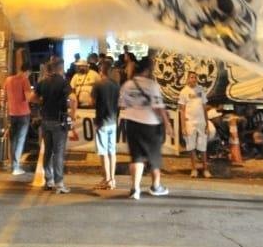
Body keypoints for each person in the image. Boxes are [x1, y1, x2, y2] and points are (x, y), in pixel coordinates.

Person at [119, 56, 172, 200]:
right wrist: (167, 124)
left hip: (132, 124)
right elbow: (158, 107)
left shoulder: (127, 85)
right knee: (154, 157)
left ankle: (134, 189)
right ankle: (156, 186)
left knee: (136, 157)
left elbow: (122, 104)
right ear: (148, 70)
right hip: (150, 125)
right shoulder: (152, 85)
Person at [31, 59, 75, 194]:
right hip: (59, 121)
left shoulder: (42, 82)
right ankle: (59, 183)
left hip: (45, 121)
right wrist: (73, 114)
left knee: (48, 152)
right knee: (58, 153)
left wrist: (43, 102)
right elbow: (73, 98)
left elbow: (32, 98)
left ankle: (48, 181)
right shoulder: (63, 82)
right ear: (60, 68)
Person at [90, 58, 120, 190]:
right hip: (113, 121)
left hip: (101, 122)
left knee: (103, 153)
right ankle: (112, 179)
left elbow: (92, 102)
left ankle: (107, 179)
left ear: (101, 70)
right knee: (112, 152)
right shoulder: (116, 85)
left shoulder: (98, 85)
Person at [2, 51, 34, 175]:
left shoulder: (8, 79)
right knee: (20, 140)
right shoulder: (24, 80)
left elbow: (3, 96)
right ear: (27, 71)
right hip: (23, 114)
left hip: (11, 113)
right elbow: (28, 98)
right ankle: (16, 167)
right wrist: (33, 92)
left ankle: (13, 165)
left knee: (13, 140)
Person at [178, 71, 212, 179]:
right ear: (187, 79)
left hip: (201, 122)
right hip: (189, 123)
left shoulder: (201, 90)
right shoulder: (183, 92)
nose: (193, 79)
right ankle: (194, 169)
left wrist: (207, 124)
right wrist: (183, 126)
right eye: (191, 77)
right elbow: (182, 110)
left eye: (195, 78)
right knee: (191, 147)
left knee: (203, 147)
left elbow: (204, 107)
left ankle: (205, 169)